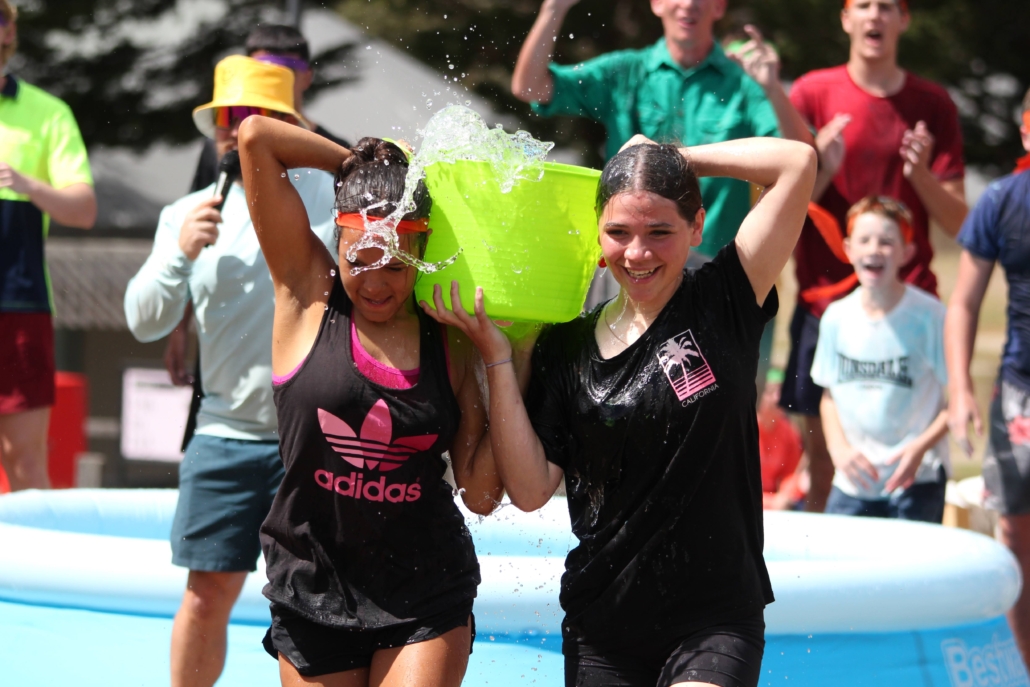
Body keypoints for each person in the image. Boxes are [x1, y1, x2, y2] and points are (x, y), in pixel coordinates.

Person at [425, 134, 816, 687]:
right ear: (597, 233)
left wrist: (664, 158)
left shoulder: (725, 297)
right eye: (619, 233)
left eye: (660, 232)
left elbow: (796, 161)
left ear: (697, 227)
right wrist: (498, 358)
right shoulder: (567, 344)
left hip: (715, 618)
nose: (637, 253)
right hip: (603, 624)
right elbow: (531, 491)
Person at [236, 115, 504, 685]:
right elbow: (256, 136)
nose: (377, 282)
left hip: (425, 585)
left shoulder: (450, 337)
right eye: (359, 259)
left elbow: (480, 494)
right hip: (312, 579)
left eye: (396, 263)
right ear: (337, 240)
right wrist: (358, 166)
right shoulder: (306, 294)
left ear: (422, 249)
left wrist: (507, 362)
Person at [124, 55, 335, 687]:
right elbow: (142, 320)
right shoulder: (188, 212)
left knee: (319, 604)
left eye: (250, 115)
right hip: (224, 435)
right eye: (225, 116)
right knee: (205, 596)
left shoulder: (328, 200)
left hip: (315, 435)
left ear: (285, 125)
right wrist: (179, 255)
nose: (234, 129)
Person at [780, 0, 967, 512]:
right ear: (845, 17)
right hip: (826, 308)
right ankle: (824, 562)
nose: (874, 16)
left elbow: (960, 223)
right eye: (862, 4)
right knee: (825, 463)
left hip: (910, 308)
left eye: (887, 6)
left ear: (905, 19)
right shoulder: (811, 93)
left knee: (908, 464)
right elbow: (777, 206)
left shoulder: (932, 103)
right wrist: (821, 167)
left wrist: (920, 175)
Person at [167, 24, 352, 447]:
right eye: (258, 66)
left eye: (283, 68)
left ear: (305, 76)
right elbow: (192, 234)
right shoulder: (221, 147)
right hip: (229, 335)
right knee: (214, 428)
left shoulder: (333, 150)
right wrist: (178, 324)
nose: (268, 76)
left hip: (308, 329)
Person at [946, 88, 1030, 665]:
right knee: (1016, 532)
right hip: (1020, 392)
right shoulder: (1002, 200)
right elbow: (964, 303)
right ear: (1025, 132)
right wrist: (960, 388)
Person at [0, 0, 96, 490]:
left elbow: (84, 210)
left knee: (25, 461)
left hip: (19, 305)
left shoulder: (49, 112)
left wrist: (27, 184)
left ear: (9, 31)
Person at [810, 196, 949, 522]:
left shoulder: (930, 316)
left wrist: (920, 448)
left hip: (915, 480)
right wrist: (839, 450)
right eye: (864, 240)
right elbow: (828, 396)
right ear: (848, 249)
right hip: (853, 481)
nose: (874, 249)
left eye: (886, 242)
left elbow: (958, 403)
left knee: (912, 559)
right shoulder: (836, 318)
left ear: (907, 252)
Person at [758, 369, 806, 511]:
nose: (777, 399)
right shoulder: (743, 428)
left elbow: (791, 474)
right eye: (770, 392)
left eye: (782, 392)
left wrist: (784, 496)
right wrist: (768, 502)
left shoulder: (790, 432)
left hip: (775, 502)